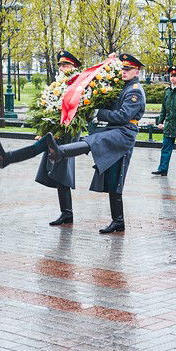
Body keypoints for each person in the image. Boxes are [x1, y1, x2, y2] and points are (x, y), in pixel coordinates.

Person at [45, 53, 145, 233]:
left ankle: (61, 152)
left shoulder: (135, 91)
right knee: (113, 179)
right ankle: (118, 221)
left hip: (124, 134)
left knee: (95, 142)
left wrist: (99, 112)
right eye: (123, 68)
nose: (124, 72)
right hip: (115, 133)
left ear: (136, 71)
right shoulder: (124, 87)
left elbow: (123, 116)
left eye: (128, 69)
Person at [0, 49, 82, 226]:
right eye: (61, 65)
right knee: (59, 169)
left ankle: (8, 158)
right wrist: (44, 129)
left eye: (66, 65)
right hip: (56, 132)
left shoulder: (80, 85)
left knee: (62, 169)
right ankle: (67, 213)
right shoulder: (59, 85)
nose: (62, 68)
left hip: (69, 131)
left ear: (74, 67)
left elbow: (86, 110)